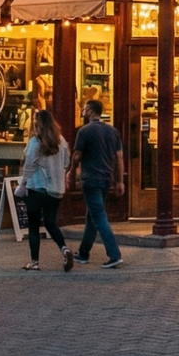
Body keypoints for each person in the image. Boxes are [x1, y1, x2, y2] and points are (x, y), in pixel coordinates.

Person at [68, 99, 124, 268]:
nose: (82, 111)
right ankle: (83, 253)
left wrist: (71, 172)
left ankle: (114, 254)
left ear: (91, 111)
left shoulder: (84, 131)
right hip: (106, 179)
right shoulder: (112, 131)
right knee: (92, 217)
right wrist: (120, 180)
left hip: (91, 179)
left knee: (99, 216)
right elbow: (119, 157)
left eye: (84, 108)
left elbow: (77, 155)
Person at [20, 110, 72, 271]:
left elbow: (29, 165)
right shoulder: (61, 141)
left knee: (34, 226)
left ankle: (34, 262)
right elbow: (66, 162)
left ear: (38, 124)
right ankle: (64, 249)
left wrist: (22, 184)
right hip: (56, 189)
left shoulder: (36, 142)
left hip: (37, 187)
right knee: (51, 223)